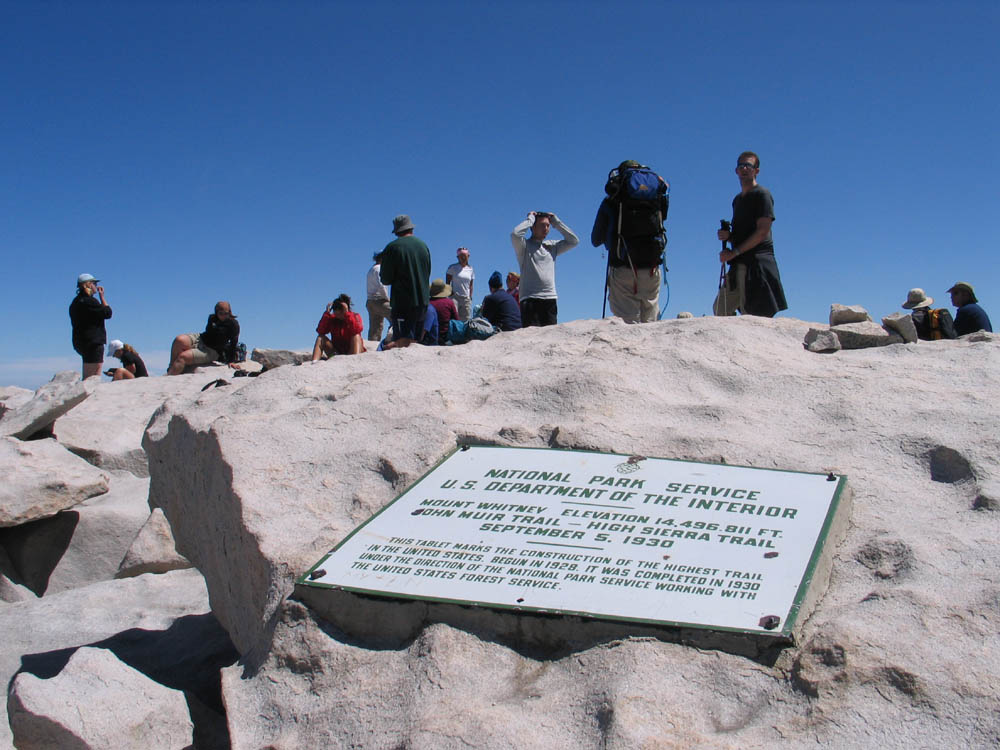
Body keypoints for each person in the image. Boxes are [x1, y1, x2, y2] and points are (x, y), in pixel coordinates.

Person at [591, 160, 669, 323]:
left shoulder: (612, 200)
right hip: (652, 268)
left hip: (623, 268)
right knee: (650, 323)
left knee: (627, 326)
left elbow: (596, 239)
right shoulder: (656, 197)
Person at [715, 151, 788, 317]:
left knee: (754, 313)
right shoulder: (737, 200)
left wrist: (734, 252)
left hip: (757, 263)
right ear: (736, 171)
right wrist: (729, 237)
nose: (744, 169)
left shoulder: (762, 195)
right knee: (721, 308)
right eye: (741, 166)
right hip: (739, 262)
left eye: (748, 165)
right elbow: (744, 232)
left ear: (757, 170)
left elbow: (762, 231)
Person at [510, 210, 578, 327]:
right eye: (542, 225)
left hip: (550, 298)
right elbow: (515, 234)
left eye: (548, 225)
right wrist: (530, 219)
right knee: (532, 339)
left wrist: (556, 222)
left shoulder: (552, 246)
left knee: (550, 339)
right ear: (533, 227)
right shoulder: (524, 246)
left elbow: (573, 241)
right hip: (530, 298)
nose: (546, 228)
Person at [379, 214, 431, 348]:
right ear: (411, 229)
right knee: (415, 341)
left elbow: (385, 279)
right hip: (423, 302)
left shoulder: (392, 248)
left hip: (403, 302)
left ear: (396, 231)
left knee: (403, 341)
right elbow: (427, 272)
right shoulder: (423, 246)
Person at [167, 301, 241, 375]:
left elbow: (234, 343)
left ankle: (169, 376)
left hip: (212, 350)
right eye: (221, 313)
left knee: (183, 357)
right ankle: (171, 368)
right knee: (179, 340)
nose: (223, 316)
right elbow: (208, 332)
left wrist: (231, 361)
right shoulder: (212, 318)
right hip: (201, 339)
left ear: (230, 312)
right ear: (216, 312)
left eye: (226, 313)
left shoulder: (233, 324)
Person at [69, 273, 112, 379]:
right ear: (88, 284)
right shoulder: (88, 301)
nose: (96, 286)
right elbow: (107, 313)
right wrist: (102, 297)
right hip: (92, 341)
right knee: (93, 377)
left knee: (90, 374)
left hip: (81, 341)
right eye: (94, 283)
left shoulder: (76, 302)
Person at [312, 294, 366, 361]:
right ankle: (314, 362)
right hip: (337, 354)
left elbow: (357, 329)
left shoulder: (355, 316)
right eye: (335, 308)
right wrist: (327, 314)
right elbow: (321, 331)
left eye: (340, 308)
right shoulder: (332, 319)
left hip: (353, 352)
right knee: (320, 338)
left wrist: (347, 314)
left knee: (356, 336)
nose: (338, 311)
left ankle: (355, 361)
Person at [366, 252, 392, 341]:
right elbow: (382, 286)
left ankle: (372, 347)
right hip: (379, 300)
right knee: (396, 316)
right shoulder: (380, 269)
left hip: (370, 301)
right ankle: (393, 339)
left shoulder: (371, 270)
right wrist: (388, 299)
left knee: (375, 328)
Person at [446, 248, 475, 321]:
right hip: (455, 297)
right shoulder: (452, 268)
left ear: (468, 256)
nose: (463, 257)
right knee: (454, 318)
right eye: (461, 256)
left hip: (466, 298)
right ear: (458, 257)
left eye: (465, 255)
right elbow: (447, 282)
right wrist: (450, 293)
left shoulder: (471, 269)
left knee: (465, 320)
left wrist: (470, 297)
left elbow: (471, 285)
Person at [429, 278, 459, 345]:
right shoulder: (449, 303)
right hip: (446, 336)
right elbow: (456, 320)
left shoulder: (428, 304)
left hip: (430, 336)